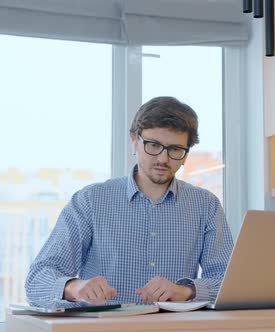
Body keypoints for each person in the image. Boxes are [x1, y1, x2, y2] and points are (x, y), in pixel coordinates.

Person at [25, 96, 234, 306]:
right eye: (153, 145)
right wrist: (75, 287)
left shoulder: (206, 205)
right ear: (134, 140)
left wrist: (186, 291)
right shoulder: (90, 201)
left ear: (186, 152)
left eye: (175, 150)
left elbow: (229, 283)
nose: (163, 159)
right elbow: (37, 280)